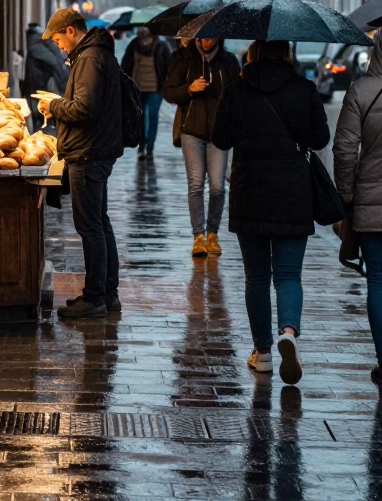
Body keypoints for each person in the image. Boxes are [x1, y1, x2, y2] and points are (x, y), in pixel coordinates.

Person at [212, 39, 329, 384]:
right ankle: (288, 332)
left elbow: (220, 137)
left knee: (257, 277)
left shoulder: (237, 86)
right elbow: (320, 138)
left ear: (253, 52)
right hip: (293, 192)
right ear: (287, 53)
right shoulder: (304, 88)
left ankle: (262, 352)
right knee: (289, 275)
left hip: (251, 191)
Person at [38, 9, 123, 320]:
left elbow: (83, 108)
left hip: (88, 152)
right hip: (97, 149)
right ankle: (108, 294)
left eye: (59, 38)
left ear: (71, 31)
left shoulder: (88, 58)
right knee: (100, 223)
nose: (59, 45)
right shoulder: (97, 54)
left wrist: (53, 105)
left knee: (90, 227)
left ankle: (95, 298)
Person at [333, 31, 382, 387]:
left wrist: (346, 197)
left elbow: (345, 150)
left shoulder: (362, 91)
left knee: (378, 281)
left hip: (370, 205)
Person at [163, 35, 240, 258]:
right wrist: (190, 88)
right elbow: (169, 92)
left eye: (212, 37)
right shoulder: (183, 59)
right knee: (196, 185)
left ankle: (213, 233)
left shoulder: (228, 61)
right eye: (203, 37)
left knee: (217, 186)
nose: (207, 41)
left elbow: (238, 95)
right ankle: (198, 236)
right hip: (191, 131)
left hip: (219, 131)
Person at [122, 26, 171, 158]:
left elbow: (169, 67)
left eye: (147, 37)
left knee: (153, 116)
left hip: (156, 89)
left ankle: (150, 145)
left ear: (153, 36)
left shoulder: (162, 47)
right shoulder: (133, 45)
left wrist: (167, 84)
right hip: (137, 89)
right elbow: (125, 65)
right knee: (141, 117)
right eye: (142, 37)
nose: (144, 40)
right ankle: (142, 144)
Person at [23, 21, 70, 132]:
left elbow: (55, 64)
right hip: (42, 84)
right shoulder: (43, 45)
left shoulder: (36, 47)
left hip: (40, 85)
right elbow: (56, 65)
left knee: (40, 114)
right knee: (40, 114)